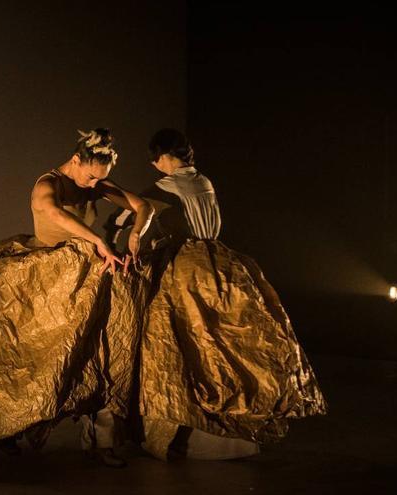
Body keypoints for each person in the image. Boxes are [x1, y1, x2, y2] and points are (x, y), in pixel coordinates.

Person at [0, 129, 154, 464]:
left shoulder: (96, 183)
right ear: (76, 160)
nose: (93, 185)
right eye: (90, 176)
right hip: (49, 279)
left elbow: (142, 206)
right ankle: (5, 429)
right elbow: (54, 213)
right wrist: (98, 240)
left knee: (102, 352)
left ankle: (104, 442)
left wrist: (136, 234)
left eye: (100, 179)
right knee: (31, 358)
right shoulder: (48, 184)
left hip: (88, 279)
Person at [107, 128, 327, 460]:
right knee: (223, 342)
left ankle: (179, 427)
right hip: (221, 262)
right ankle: (230, 428)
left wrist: (120, 232)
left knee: (178, 344)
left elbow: (126, 216)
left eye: (156, 159)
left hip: (186, 268)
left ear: (166, 156)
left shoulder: (163, 188)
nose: (155, 165)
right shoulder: (205, 182)